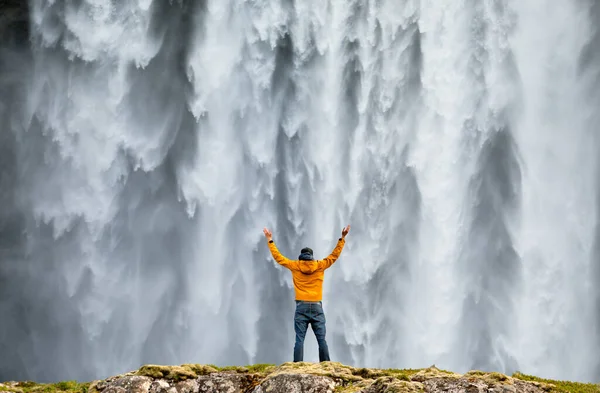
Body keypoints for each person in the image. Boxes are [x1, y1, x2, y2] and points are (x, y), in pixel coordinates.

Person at [262, 225, 350, 363]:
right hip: (316, 306)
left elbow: (278, 258)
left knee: (299, 339)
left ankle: (297, 365)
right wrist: (343, 238)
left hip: (301, 306)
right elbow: (334, 256)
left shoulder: (295, 265)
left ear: (301, 257)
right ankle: (326, 365)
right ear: (312, 256)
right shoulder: (320, 265)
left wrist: (270, 239)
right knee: (321, 339)